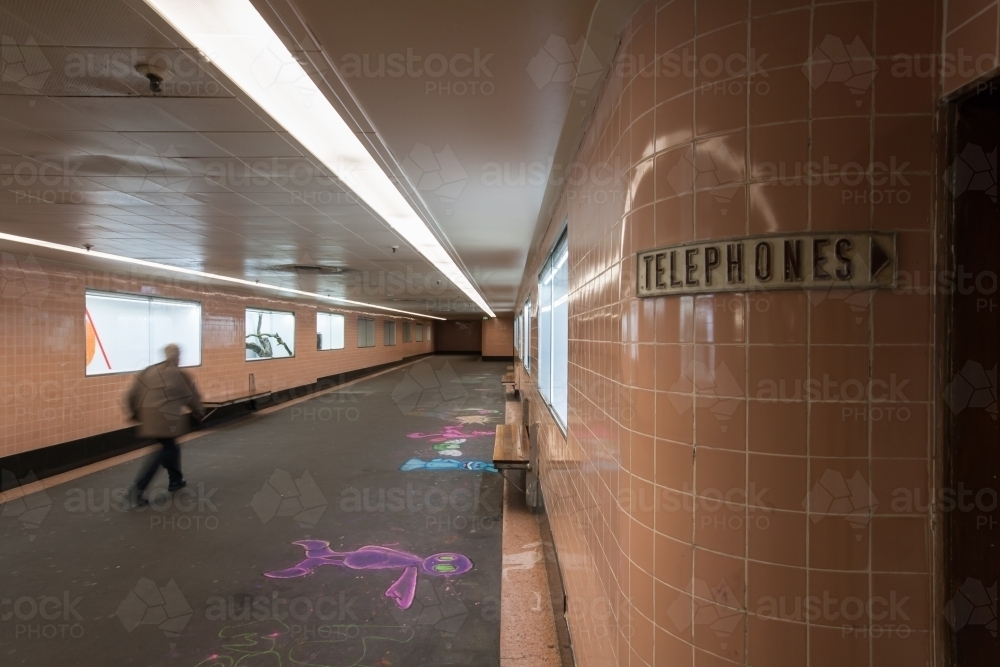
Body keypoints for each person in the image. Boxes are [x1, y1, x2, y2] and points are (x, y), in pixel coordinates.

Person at [126, 344, 203, 507]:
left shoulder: (148, 371)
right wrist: (198, 411)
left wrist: (134, 413)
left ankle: (175, 480)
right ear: (177, 358)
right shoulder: (179, 374)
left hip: (148, 419)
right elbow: (191, 396)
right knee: (164, 451)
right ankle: (138, 489)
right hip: (167, 422)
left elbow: (131, 394)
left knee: (171, 447)